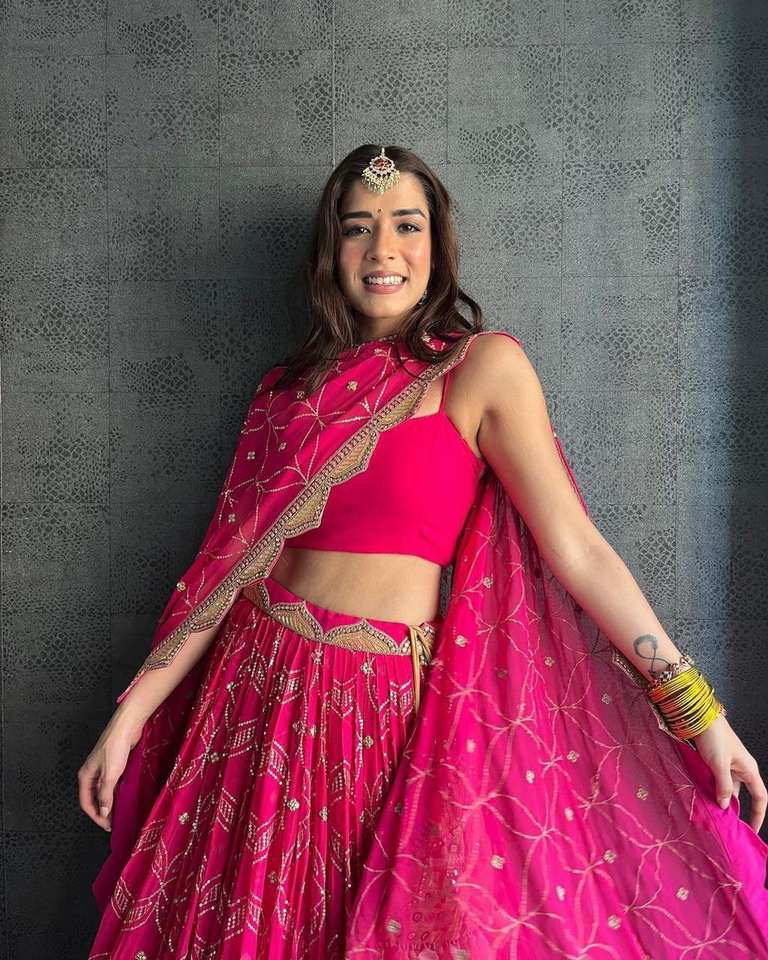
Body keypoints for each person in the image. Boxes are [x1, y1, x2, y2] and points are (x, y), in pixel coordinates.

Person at [82, 145, 768, 959]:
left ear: (437, 243)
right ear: (331, 250)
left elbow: (578, 551)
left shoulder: (480, 368)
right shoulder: (286, 392)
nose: (383, 250)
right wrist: (130, 716)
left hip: (381, 711)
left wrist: (696, 709)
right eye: (358, 228)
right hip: (251, 690)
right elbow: (228, 569)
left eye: (406, 226)